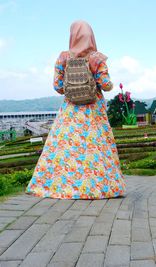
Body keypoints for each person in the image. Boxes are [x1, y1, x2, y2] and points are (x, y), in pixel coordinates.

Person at [26, 21, 126, 199]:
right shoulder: (96, 59)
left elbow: (57, 86)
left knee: (65, 147)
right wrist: (106, 85)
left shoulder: (63, 58)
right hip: (93, 109)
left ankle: (58, 185)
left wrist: (72, 87)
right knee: (96, 147)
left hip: (70, 110)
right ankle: (98, 187)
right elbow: (106, 84)